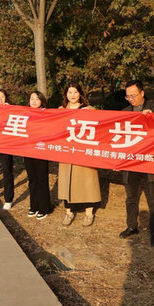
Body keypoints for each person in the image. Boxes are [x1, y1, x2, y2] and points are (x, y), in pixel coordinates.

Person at [119, 79, 154, 245]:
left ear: (142, 93)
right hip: (131, 162)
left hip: (151, 161)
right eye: (128, 96)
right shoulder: (124, 112)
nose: (131, 99)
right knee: (131, 197)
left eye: (133, 95)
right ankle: (132, 226)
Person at [58, 83, 102, 226]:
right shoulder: (60, 110)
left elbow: (101, 125)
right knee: (67, 181)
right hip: (66, 152)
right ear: (66, 94)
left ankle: (89, 213)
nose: (73, 95)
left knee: (87, 181)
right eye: (70, 92)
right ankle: (69, 212)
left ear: (80, 93)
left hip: (84, 153)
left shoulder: (89, 110)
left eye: (75, 92)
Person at [24, 91, 53, 219]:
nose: (34, 101)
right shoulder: (25, 113)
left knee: (41, 179)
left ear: (41, 100)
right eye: (32, 99)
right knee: (32, 179)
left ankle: (44, 208)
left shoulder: (47, 114)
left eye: (37, 99)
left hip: (41, 150)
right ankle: (34, 206)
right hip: (28, 150)